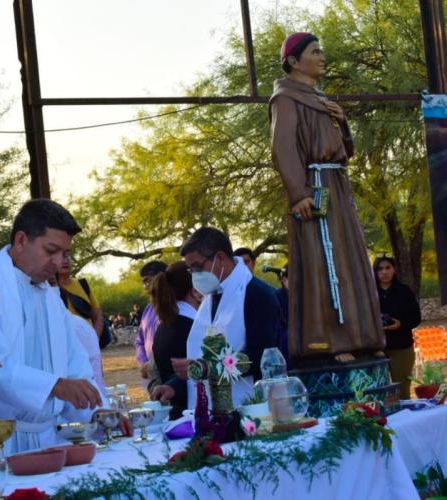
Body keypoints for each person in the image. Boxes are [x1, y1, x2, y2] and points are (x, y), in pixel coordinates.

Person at [0, 199, 131, 454]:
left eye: (64, 254)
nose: (58, 263)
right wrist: (55, 385)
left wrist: (99, 411)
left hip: (49, 439)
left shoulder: (51, 297)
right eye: (51, 250)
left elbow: (76, 365)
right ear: (21, 240)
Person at [269, 32, 385, 363]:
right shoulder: (286, 98)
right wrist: (298, 193)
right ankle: (333, 339)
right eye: (315, 51)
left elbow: (345, 151)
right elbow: (283, 148)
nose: (322, 57)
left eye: (322, 50)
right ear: (294, 61)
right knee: (325, 259)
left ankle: (364, 335)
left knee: (351, 259)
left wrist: (343, 122)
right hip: (315, 184)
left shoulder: (320, 99)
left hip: (337, 183)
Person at [175, 227, 283, 407]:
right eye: (190, 269)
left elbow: (262, 358)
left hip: (251, 406)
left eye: (198, 267)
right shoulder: (211, 295)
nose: (194, 274)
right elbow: (202, 351)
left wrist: (206, 368)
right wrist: (174, 385)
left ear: (221, 258)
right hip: (212, 407)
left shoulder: (257, 294)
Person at [147, 262, 200, 419]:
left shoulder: (163, 328)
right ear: (196, 291)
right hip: (195, 413)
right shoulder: (193, 328)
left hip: (175, 414)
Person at [373, 255, 421, 398]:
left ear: (394, 269)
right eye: (380, 269)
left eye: (388, 268)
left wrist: (401, 324)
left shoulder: (404, 291)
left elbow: (416, 318)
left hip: (401, 348)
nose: (384, 272)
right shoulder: (370, 293)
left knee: (401, 391)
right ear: (375, 272)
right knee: (378, 392)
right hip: (376, 349)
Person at [134, 260, 168, 380]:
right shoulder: (148, 309)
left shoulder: (176, 307)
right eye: (144, 282)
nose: (146, 286)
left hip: (169, 371)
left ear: (162, 278)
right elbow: (139, 341)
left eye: (148, 280)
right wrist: (144, 363)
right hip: (150, 374)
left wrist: (153, 363)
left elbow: (170, 344)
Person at [57, 253, 104, 339]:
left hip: (88, 344)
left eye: (68, 256)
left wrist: (94, 340)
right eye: (61, 258)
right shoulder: (48, 288)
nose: (66, 261)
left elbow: (97, 315)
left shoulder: (83, 284)